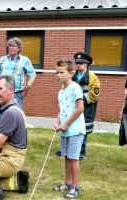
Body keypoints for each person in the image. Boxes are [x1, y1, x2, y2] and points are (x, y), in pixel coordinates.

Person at [54, 52, 100, 160]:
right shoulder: (72, 75)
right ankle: (66, 151)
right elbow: (64, 90)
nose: (78, 65)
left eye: (82, 63)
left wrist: (78, 98)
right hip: (70, 110)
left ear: (87, 64)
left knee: (81, 131)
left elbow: (94, 95)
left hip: (86, 108)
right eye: (77, 63)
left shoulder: (93, 78)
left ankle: (80, 154)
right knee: (70, 131)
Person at [52, 58, 85, 199]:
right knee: (66, 156)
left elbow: (80, 109)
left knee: (73, 158)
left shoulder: (76, 88)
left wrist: (66, 124)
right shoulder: (61, 91)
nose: (58, 75)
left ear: (70, 73)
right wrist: (57, 122)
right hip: (65, 131)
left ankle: (75, 187)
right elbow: (61, 110)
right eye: (56, 72)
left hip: (75, 130)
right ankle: (68, 182)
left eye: (61, 72)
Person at [0, 37, 36, 106]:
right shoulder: (2, 59)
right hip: (2, 92)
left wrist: (26, 88)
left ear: (19, 48)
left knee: (15, 113)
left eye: (13, 46)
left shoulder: (25, 60)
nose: (11, 48)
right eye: (10, 46)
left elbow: (32, 75)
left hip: (17, 93)